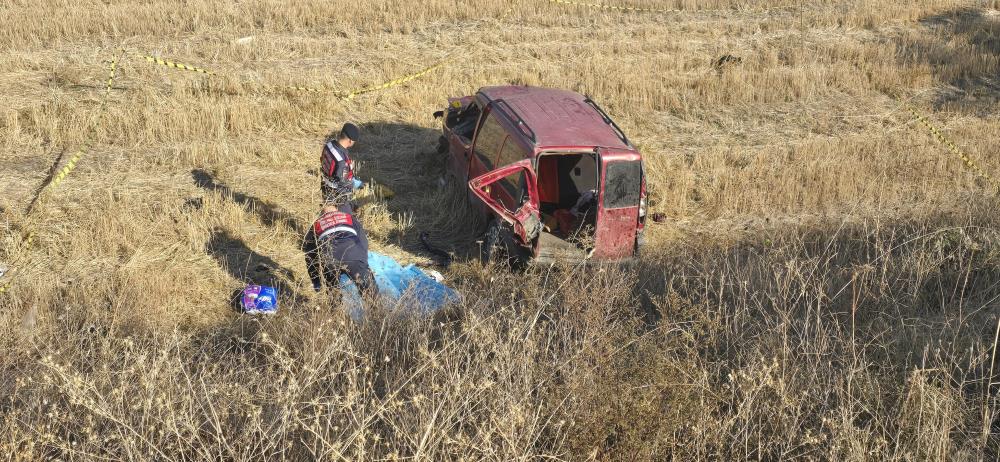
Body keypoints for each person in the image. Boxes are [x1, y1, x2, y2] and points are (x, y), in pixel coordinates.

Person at [303, 202, 378, 299]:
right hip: (353, 254)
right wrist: (362, 261)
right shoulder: (349, 218)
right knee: (371, 295)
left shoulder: (317, 224)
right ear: (337, 208)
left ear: (322, 211)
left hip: (329, 258)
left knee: (334, 296)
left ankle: (336, 311)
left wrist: (316, 282)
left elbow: (310, 254)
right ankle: (377, 312)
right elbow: (363, 241)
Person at [321, 122, 361, 207]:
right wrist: (354, 183)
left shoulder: (329, 145)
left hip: (325, 187)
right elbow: (342, 183)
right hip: (336, 196)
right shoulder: (342, 161)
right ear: (350, 141)